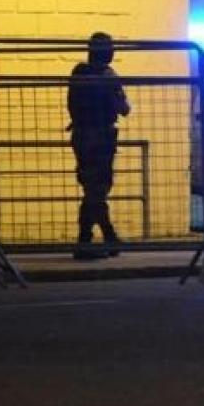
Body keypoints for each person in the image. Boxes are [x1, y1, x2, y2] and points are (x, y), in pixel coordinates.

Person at [67, 31, 131, 260]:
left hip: (81, 135)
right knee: (98, 188)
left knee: (92, 188)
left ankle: (107, 236)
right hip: (102, 136)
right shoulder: (108, 76)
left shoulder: (78, 73)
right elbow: (123, 108)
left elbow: (71, 103)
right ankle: (86, 241)